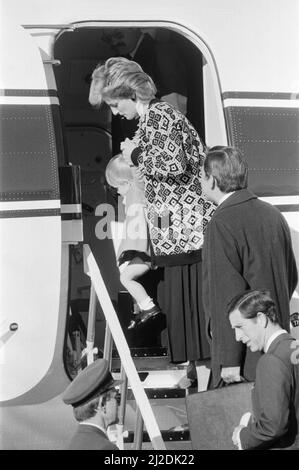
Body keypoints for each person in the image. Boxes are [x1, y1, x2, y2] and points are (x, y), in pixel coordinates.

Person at [89, 57, 215, 383]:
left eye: (116, 104)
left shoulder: (159, 115)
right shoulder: (152, 120)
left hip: (189, 238)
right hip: (177, 242)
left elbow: (172, 166)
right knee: (186, 330)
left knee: (194, 330)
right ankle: (196, 385)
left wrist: (133, 154)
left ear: (131, 93)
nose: (116, 113)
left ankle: (204, 394)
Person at [201, 146, 298, 388]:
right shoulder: (273, 215)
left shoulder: (221, 222)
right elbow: (291, 277)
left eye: (201, 177)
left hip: (244, 358)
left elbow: (227, 293)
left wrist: (229, 358)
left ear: (212, 180)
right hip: (276, 344)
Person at [229, 289, 299, 450]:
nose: (237, 337)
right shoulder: (293, 347)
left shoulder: (271, 361)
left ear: (261, 319)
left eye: (240, 326)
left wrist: (242, 436)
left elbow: (273, 426)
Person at [98, 28, 188, 154]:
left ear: (134, 26)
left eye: (118, 34)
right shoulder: (124, 60)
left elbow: (177, 107)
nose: (113, 42)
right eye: (107, 39)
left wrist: (138, 155)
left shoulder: (161, 54)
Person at [105, 153, 161, 329]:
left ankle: (148, 307)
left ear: (126, 183)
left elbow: (138, 175)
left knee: (126, 278)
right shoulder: (129, 198)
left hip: (146, 252)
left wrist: (130, 155)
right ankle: (140, 308)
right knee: (124, 272)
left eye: (116, 187)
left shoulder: (137, 190)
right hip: (139, 250)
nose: (117, 192)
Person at [62, 358, 122, 450]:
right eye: (116, 397)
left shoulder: (72, 443)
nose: (119, 404)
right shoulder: (106, 448)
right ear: (102, 404)